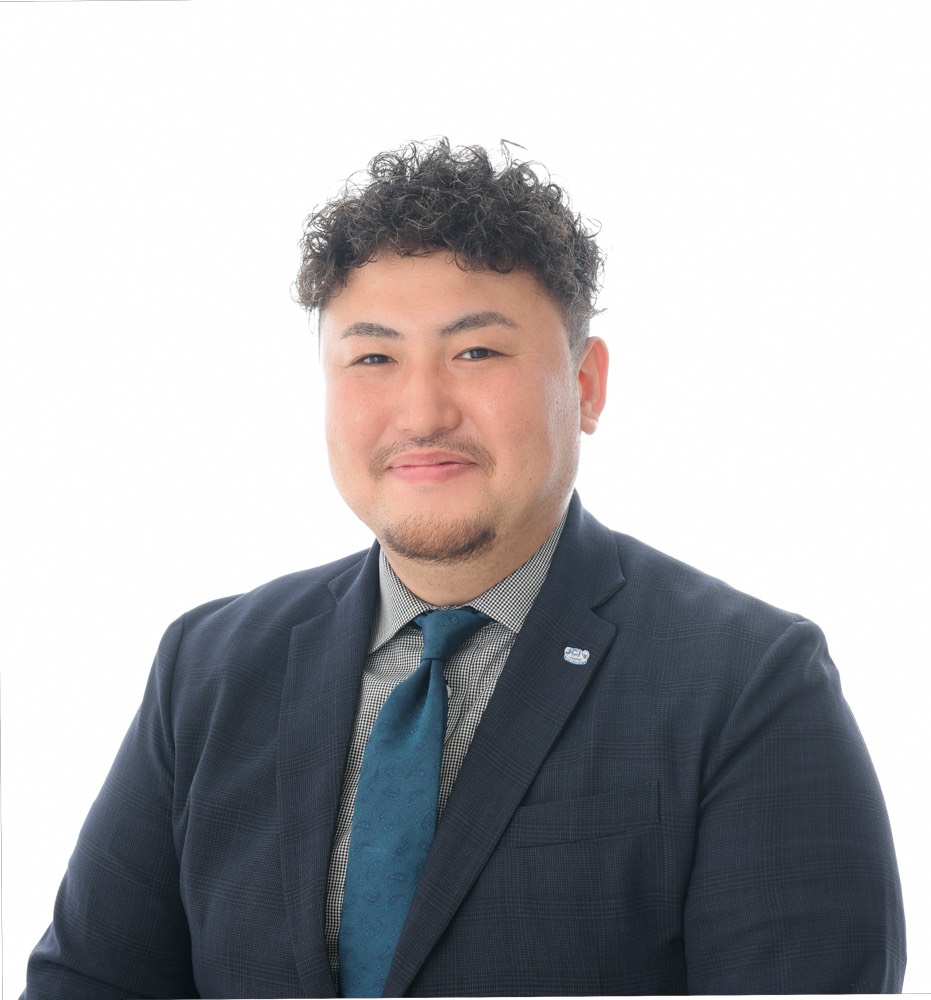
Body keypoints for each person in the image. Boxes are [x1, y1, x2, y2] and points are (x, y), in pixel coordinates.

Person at [23, 139, 905, 998]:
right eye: (373, 358)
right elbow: (90, 980)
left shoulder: (746, 682)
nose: (421, 413)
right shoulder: (209, 666)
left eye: (476, 352)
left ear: (586, 384)